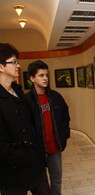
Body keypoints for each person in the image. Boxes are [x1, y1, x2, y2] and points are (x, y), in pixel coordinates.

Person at [0, 43, 50, 195]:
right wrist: (19, 157)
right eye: (14, 62)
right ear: (1, 67)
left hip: (35, 165)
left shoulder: (19, 92)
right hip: (11, 171)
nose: (18, 65)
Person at [26, 60, 71, 195]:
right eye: (41, 75)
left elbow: (65, 116)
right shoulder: (26, 100)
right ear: (32, 78)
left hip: (55, 147)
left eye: (46, 75)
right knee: (41, 185)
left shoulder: (56, 97)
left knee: (57, 180)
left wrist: (65, 135)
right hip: (38, 150)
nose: (45, 78)